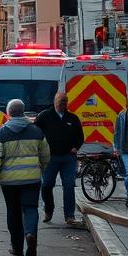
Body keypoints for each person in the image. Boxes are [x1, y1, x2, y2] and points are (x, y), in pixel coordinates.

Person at [0, 99, 51, 256]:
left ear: (9, 113)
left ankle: (17, 247)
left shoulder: (1, 133)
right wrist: (42, 169)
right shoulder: (36, 131)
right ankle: (30, 233)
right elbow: (45, 155)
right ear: (23, 112)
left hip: (9, 182)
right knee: (30, 208)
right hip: (31, 179)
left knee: (13, 212)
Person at [34, 91, 84, 226]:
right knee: (47, 185)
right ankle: (48, 210)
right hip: (50, 158)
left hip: (68, 157)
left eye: (65, 101)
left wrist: (76, 147)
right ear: (55, 101)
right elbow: (35, 132)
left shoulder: (72, 118)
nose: (63, 104)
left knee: (68, 185)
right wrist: (39, 149)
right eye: (61, 101)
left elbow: (80, 136)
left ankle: (69, 215)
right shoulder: (45, 116)